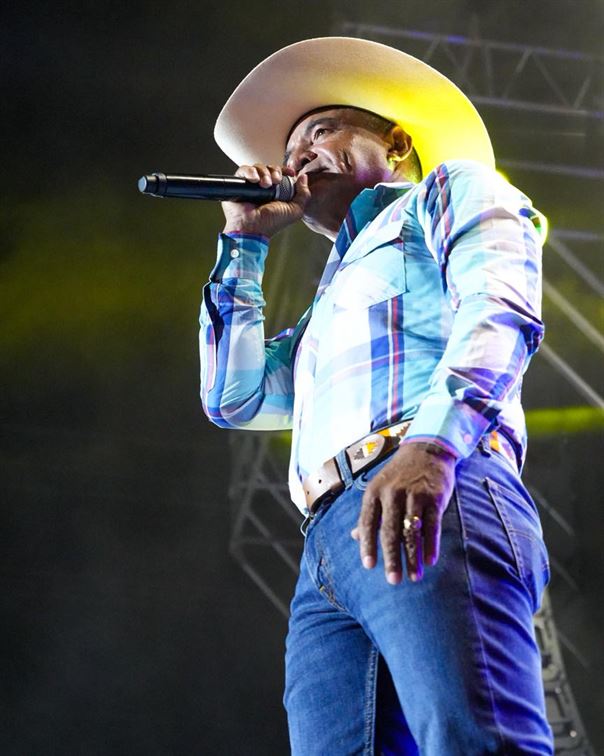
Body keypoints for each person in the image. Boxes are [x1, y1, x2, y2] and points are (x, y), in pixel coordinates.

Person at [199, 37, 553, 754]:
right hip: (327, 545)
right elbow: (234, 398)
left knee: (474, 739)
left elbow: (501, 309)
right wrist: (244, 242)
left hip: (434, 482)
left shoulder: (448, 191)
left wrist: (433, 447)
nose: (299, 157)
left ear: (395, 143)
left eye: (321, 131)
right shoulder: (325, 307)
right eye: (290, 149)